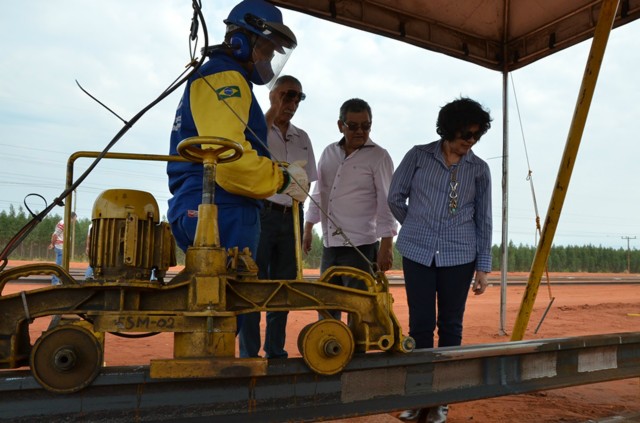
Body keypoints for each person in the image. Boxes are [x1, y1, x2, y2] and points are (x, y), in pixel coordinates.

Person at [166, 0, 308, 334]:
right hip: (221, 207)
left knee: (217, 308)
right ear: (242, 40)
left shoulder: (217, 75)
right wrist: (282, 178)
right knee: (221, 316)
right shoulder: (225, 77)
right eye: (267, 50)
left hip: (206, 204)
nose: (268, 59)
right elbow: (227, 160)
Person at [388, 97, 493, 423]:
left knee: (451, 326)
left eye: (476, 135)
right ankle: (418, 397)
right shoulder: (418, 156)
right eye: (465, 134)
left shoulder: (479, 169)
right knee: (420, 325)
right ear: (448, 129)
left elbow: (484, 219)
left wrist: (483, 267)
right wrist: (417, 225)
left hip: (460, 256)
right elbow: (395, 197)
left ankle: (441, 401)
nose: (470, 141)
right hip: (418, 253)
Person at [239, 75, 317, 359]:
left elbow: (307, 183)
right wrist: (270, 112)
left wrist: (305, 224)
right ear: (273, 95)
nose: (292, 102)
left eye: (298, 97)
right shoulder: (254, 128)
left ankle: (275, 351)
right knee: (252, 286)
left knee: (284, 286)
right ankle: (249, 354)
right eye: (286, 95)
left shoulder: (303, 138)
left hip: (291, 217)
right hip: (260, 214)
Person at [303, 98, 397, 321]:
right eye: (353, 126)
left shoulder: (379, 156)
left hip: (361, 247)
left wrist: (386, 245)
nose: (360, 131)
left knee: (360, 308)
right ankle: (329, 349)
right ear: (340, 125)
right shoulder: (328, 153)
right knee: (326, 305)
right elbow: (319, 193)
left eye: (366, 126)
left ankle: (359, 353)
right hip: (329, 245)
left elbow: (387, 202)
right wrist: (308, 228)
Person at [48, 212, 77, 285]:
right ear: (72, 217)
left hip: (61, 246)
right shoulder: (63, 223)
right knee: (59, 266)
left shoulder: (64, 223)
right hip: (60, 247)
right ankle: (55, 282)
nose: (75, 220)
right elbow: (55, 235)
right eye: (75, 218)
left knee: (61, 265)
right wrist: (52, 244)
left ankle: (58, 281)